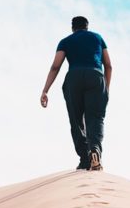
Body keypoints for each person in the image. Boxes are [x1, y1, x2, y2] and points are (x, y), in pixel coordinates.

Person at [40, 16, 112, 171]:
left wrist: (45, 90)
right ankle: (95, 150)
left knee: (76, 120)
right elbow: (109, 65)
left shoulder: (65, 41)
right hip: (96, 77)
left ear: (73, 28)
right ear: (87, 27)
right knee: (95, 118)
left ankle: (85, 159)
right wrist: (106, 88)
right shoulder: (98, 38)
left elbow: (55, 66)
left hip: (74, 78)